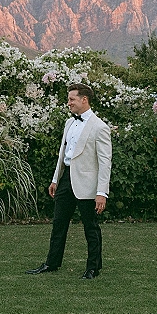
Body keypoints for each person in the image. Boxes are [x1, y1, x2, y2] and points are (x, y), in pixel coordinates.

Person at [27, 83, 112, 279]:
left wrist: (102, 192)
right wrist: (55, 179)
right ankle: (52, 263)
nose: (69, 103)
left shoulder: (100, 127)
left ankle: (93, 268)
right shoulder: (69, 123)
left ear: (84, 100)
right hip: (66, 180)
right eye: (69, 99)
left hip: (87, 184)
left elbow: (105, 163)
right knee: (58, 223)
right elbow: (63, 155)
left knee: (90, 226)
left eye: (72, 99)